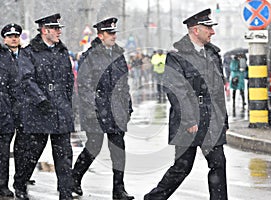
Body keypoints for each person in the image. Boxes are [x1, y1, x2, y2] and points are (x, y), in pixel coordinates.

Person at [144, 8, 229, 200]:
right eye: (209, 28)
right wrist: (189, 119)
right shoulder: (176, 57)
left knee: (218, 164)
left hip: (212, 121)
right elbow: (177, 91)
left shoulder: (214, 54)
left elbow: (217, 92)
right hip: (189, 122)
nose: (213, 32)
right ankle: (153, 199)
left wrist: (223, 120)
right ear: (195, 30)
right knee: (181, 169)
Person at [13, 13, 74, 200]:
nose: (59, 32)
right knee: (31, 154)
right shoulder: (29, 52)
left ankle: (65, 192)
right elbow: (26, 79)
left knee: (64, 155)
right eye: (55, 29)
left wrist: (67, 103)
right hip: (38, 111)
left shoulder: (62, 52)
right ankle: (20, 183)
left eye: (59, 28)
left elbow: (69, 79)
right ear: (45, 30)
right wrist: (41, 99)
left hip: (60, 111)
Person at [72, 17, 134, 200]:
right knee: (93, 147)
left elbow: (124, 84)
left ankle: (119, 189)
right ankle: (74, 177)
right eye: (110, 33)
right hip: (97, 110)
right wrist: (91, 110)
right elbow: (84, 85)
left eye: (115, 32)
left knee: (118, 151)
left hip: (116, 111)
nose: (113, 36)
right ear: (100, 35)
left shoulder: (119, 54)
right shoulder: (89, 56)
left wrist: (128, 106)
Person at [0, 24, 20, 198]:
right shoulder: (4, 56)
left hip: (8, 112)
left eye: (16, 35)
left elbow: (15, 87)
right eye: (10, 36)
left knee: (4, 153)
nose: (14, 38)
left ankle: (3, 184)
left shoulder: (20, 56)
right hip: (4, 108)